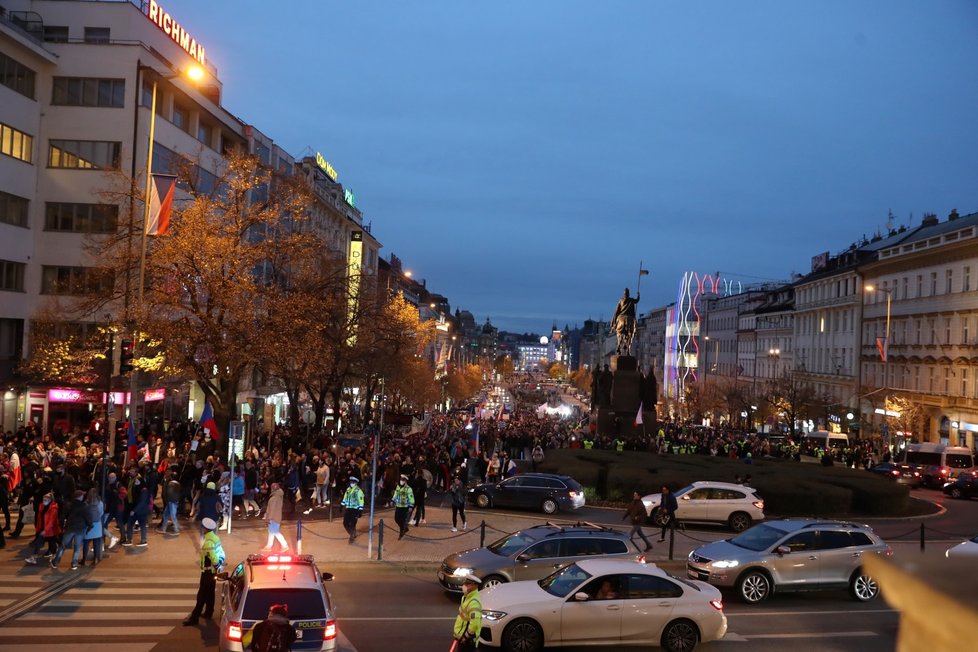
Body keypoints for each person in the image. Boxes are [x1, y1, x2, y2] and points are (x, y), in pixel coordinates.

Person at [183, 517, 225, 626]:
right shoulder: (215, 538)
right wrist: (218, 565)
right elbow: (221, 553)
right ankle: (208, 612)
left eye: (203, 527)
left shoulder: (208, 542)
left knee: (201, 595)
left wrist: (216, 564)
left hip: (207, 572)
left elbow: (213, 557)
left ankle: (194, 618)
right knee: (210, 593)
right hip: (213, 571)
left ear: (205, 529)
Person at [51, 489, 92, 570]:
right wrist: (89, 526)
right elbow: (88, 518)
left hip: (70, 528)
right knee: (77, 547)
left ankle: (55, 561)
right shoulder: (84, 506)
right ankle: (74, 563)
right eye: (82, 495)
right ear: (80, 497)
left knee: (63, 546)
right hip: (80, 529)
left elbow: (62, 517)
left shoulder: (69, 505)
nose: (83, 496)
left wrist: (62, 527)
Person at [25, 492, 60, 565]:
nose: (44, 500)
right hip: (43, 529)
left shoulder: (53, 509)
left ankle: (55, 556)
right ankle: (34, 557)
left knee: (52, 544)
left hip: (50, 530)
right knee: (38, 543)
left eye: (46, 498)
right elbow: (40, 518)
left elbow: (51, 521)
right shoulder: (42, 506)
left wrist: (45, 530)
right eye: (44, 498)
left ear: (51, 499)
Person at [453, 574, 482, 652]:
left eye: (468, 584)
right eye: (465, 583)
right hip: (461, 636)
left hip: (468, 641)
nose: (464, 586)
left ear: (475, 586)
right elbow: (463, 616)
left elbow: (474, 623)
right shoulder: (465, 597)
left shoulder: (474, 602)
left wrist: (466, 637)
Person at [611, 287, 640, 355]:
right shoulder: (631, 300)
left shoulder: (620, 300)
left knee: (619, 333)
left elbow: (617, 311)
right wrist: (638, 295)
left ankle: (618, 346)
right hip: (630, 317)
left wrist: (614, 321)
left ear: (624, 294)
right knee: (632, 333)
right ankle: (628, 350)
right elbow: (637, 300)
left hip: (621, 317)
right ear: (628, 294)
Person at [262, 482, 289, 552]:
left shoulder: (273, 498)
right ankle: (268, 546)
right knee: (271, 532)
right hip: (277, 516)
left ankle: (285, 545)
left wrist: (268, 519)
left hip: (273, 518)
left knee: (275, 532)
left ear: (272, 489)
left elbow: (271, 510)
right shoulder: (279, 495)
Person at [80, 488, 105, 566]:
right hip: (97, 525)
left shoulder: (86, 503)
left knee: (86, 543)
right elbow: (101, 513)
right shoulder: (100, 503)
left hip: (88, 525)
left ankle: (84, 559)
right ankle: (95, 559)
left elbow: (83, 514)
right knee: (96, 543)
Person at [158, 469, 182, 534]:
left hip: (171, 502)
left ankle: (176, 529)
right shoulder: (178, 484)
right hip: (173, 501)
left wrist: (167, 500)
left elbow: (169, 493)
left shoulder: (171, 484)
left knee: (171, 515)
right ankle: (164, 528)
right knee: (167, 515)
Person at [341, 476, 364, 543]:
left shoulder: (358, 491)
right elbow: (345, 498)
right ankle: (352, 533)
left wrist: (360, 510)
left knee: (353, 523)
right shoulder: (348, 489)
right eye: (351, 482)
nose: (351, 483)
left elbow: (361, 501)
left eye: (353, 482)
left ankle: (352, 536)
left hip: (355, 509)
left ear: (356, 483)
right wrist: (341, 505)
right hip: (348, 508)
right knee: (345, 523)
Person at [391, 473, 415, 540]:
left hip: (405, 507)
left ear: (405, 481)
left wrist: (411, 506)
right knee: (396, 519)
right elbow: (395, 494)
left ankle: (401, 534)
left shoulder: (408, 489)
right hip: (398, 506)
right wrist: (392, 500)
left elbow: (411, 498)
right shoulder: (398, 487)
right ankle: (405, 528)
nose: (401, 481)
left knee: (402, 520)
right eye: (401, 479)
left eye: (403, 480)